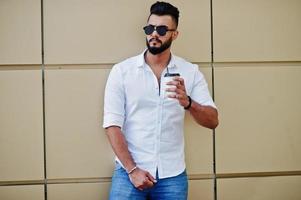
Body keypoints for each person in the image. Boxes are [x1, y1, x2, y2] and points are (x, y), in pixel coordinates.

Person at [103, 1, 218, 199]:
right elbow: (112, 125)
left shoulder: (190, 72)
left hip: (172, 177)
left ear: (175, 34)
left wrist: (188, 103)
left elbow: (213, 120)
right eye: (150, 28)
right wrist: (132, 170)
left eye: (162, 29)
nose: (154, 34)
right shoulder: (122, 71)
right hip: (128, 174)